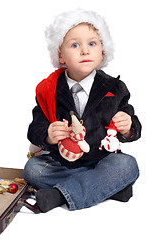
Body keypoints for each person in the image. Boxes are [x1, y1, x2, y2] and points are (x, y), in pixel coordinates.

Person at [23, 9, 141, 213]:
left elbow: (134, 126)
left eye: (92, 44)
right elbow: (35, 129)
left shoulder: (115, 88)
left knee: (128, 165)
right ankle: (106, 188)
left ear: (103, 51)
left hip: (101, 160)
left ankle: (59, 195)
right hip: (61, 162)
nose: (85, 51)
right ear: (60, 55)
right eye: (75, 45)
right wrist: (49, 135)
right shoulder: (49, 89)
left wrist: (128, 127)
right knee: (32, 170)